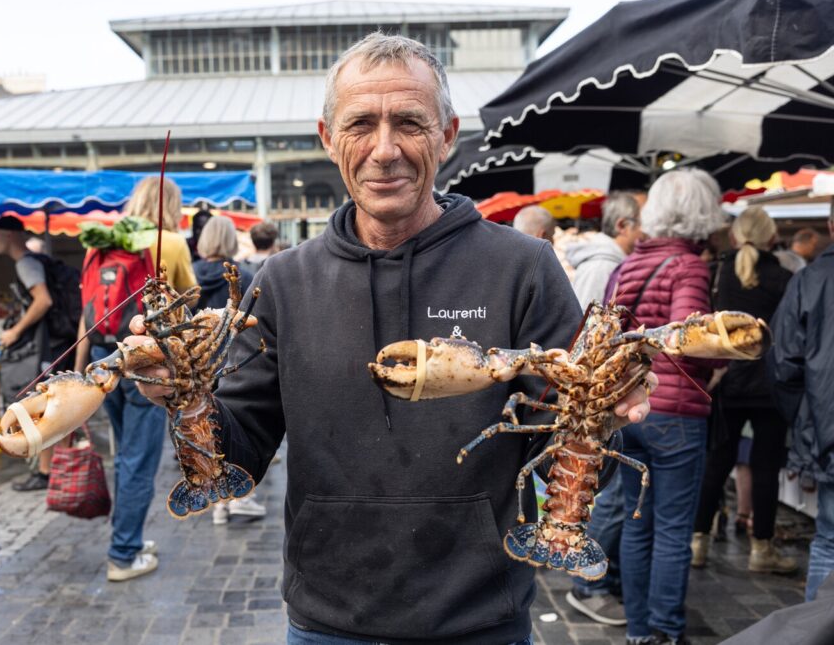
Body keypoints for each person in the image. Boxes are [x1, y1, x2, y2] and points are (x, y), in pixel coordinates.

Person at [127, 33, 653, 645]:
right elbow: (237, 452)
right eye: (360, 124)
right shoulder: (279, 282)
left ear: (448, 134)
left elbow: (573, 459)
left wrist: (609, 414)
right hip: (327, 620)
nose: (384, 150)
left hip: (483, 621)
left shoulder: (526, 269)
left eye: (409, 122)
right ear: (327, 138)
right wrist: (176, 395)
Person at [609, 169, 729, 645]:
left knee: (638, 525)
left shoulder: (628, 265)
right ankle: (665, 632)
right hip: (675, 414)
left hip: (629, 410)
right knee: (674, 530)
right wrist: (725, 349)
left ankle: (639, 632)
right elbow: (685, 340)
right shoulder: (690, 266)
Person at [74, 176, 196, 582]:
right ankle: (123, 554)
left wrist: (81, 369)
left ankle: (127, 537)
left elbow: (86, 312)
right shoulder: (171, 243)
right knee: (139, 459)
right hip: (143, 362)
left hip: (100, 359)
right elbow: (189, 303)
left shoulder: (99, 244)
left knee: (124, 453)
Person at [691, 207, 796, 574]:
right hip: (770, 386)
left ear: (734, 237)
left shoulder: (717, 274)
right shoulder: (785, 278)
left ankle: (697, 542)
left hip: (726, 382)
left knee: (716, 462)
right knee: (766, 468)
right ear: (771, 238)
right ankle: (761, 549)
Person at [565, 192, 642, 625]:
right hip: (588, 407)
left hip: (595, 402)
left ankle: (594, 577)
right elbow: (584, 336)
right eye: (638, 224)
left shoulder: (605, 262)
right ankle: (586, 584)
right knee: (606, 496)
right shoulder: (605, 266)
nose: (642, 232)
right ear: (622, 226)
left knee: (609, 492)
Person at [769, 198, 834, 601]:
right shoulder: (809, 279)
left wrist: (807, 420)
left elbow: (783, 364)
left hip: (828, 431)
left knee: (828, 541)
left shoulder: (811, 279)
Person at [190, 215, 264, 524]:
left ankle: (218, 502)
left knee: (204, 430)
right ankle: (237, 497)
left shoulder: (190, 273)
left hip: (195, 362)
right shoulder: (244, 275)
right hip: (233, 361)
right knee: (233, 425)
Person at [0, 216, 57, 491]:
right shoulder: (33, 261)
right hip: (49, 343)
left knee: (39, 408)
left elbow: (44, 300)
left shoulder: (26, 263)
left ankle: (45, 472)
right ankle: (46, 468)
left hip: (43, 346)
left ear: (7, 235)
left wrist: (15, 331)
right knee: (44, 406)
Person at [568, 193, 642, 309]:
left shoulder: (608, 263)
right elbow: (584, 321)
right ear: (622, 226)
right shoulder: (600, 266)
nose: (646, 231)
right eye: (642, 224)